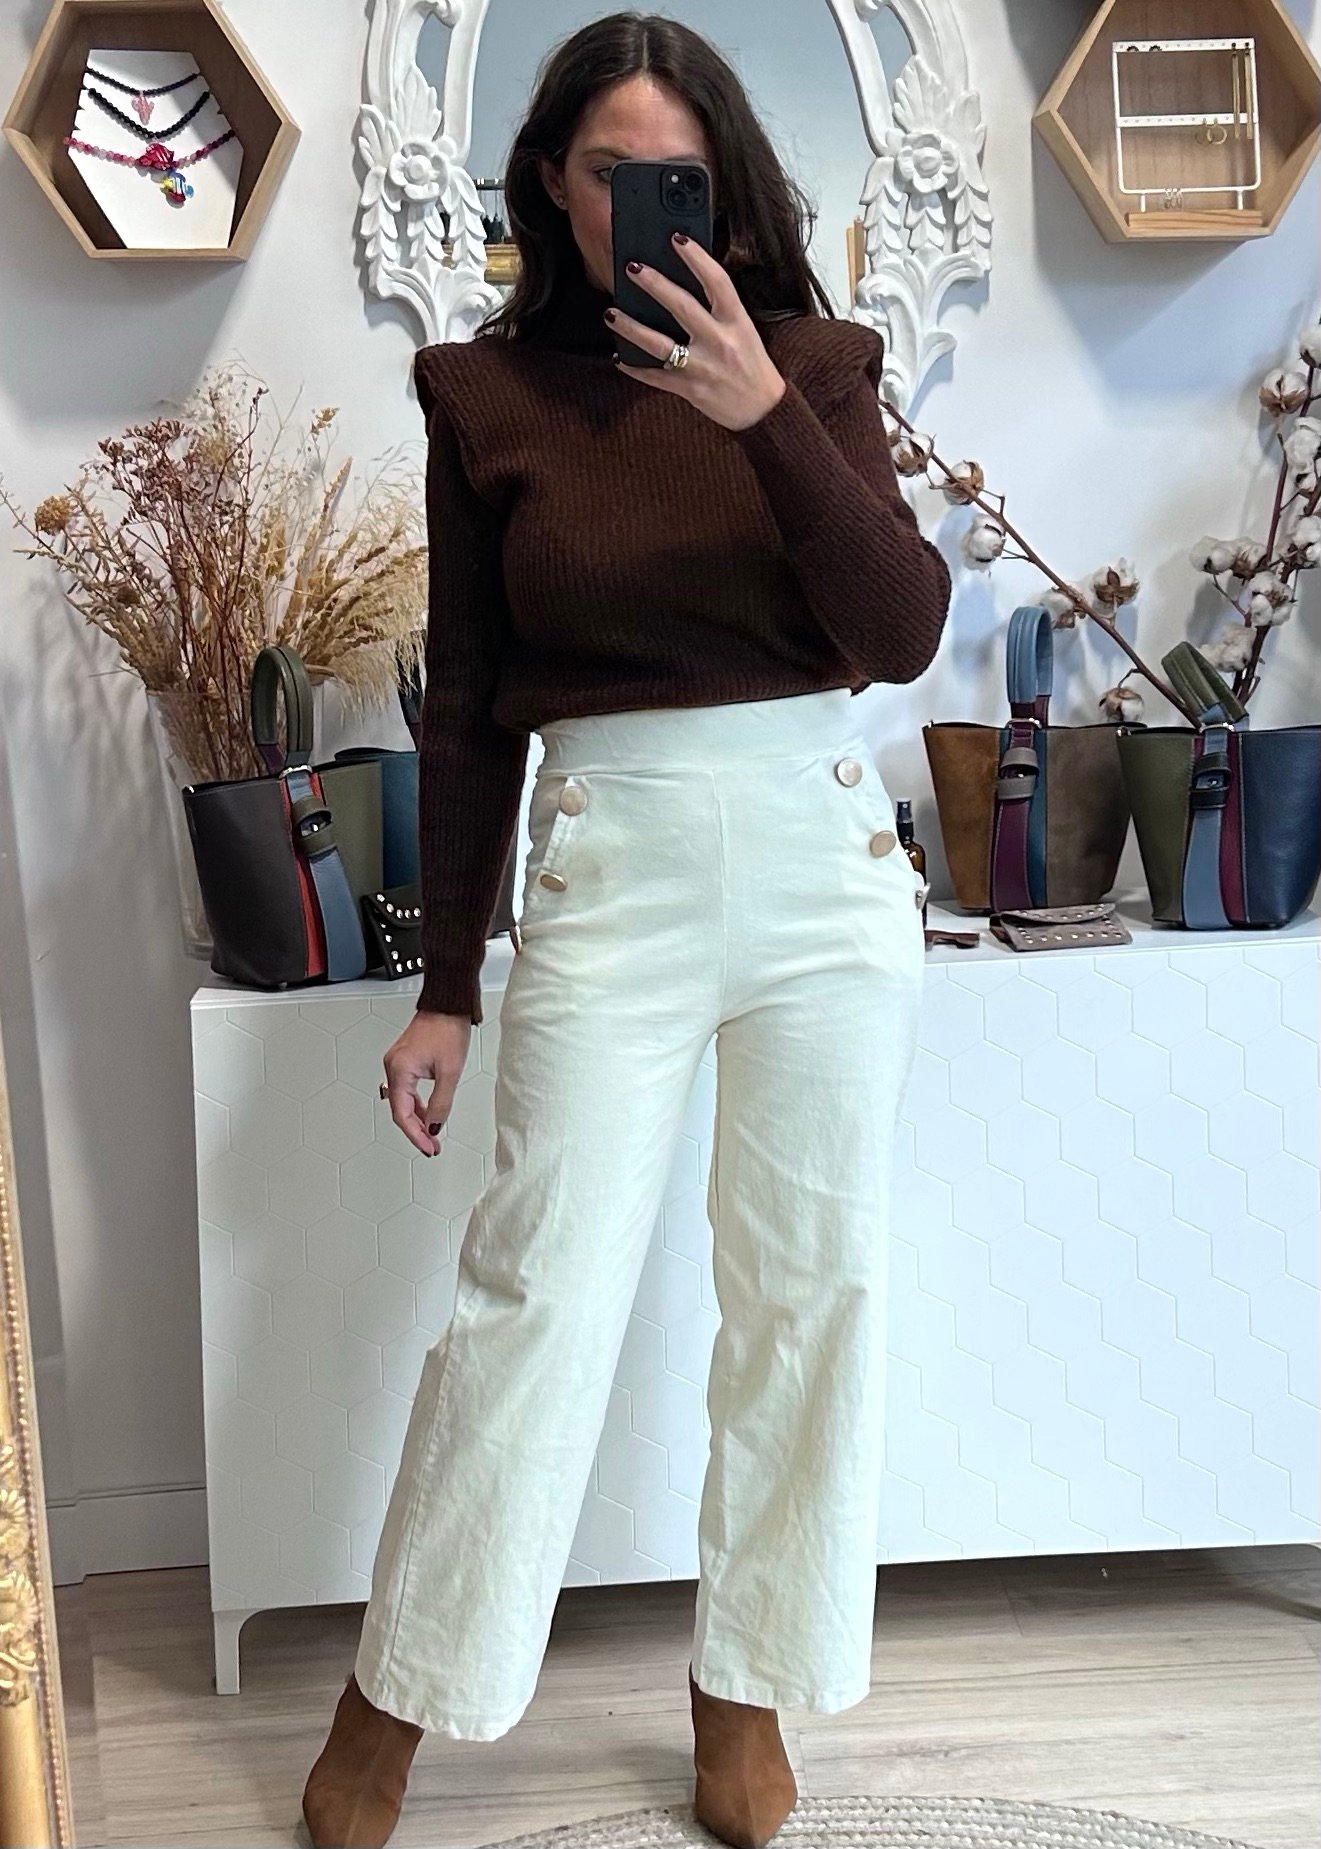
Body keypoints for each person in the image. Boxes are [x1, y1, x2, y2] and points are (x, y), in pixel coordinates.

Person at [300, 11, 951, 1847]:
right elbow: (468, 705)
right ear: (551, 186)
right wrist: (445, 984)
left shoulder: (814, 366)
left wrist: (764, 418)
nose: (641, 201)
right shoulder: (484, 397)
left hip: (821, 857)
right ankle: (397, 1690)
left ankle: (744, 1686)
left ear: (724, 187)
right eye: (608, 172)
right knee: (534, 1291)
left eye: (675, 171)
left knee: (808, 1287)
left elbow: (899, 628)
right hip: (610, 859)